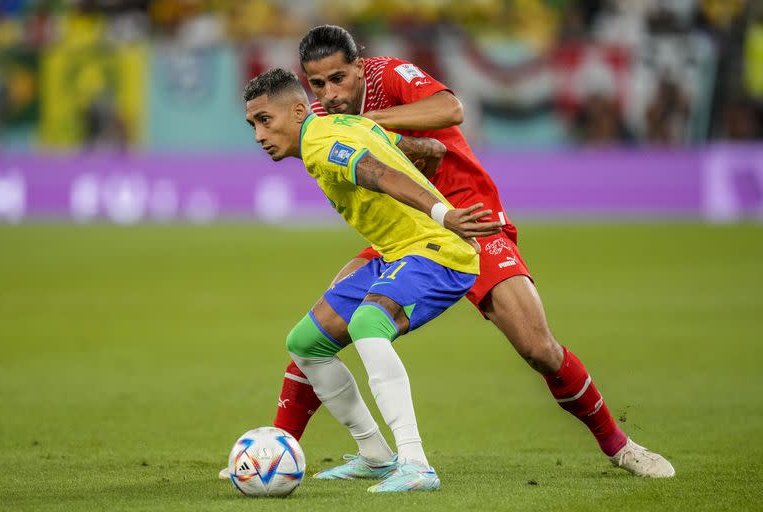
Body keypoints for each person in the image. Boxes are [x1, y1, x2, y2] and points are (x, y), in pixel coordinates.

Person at [268, 25, 675, 479]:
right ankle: (275, 452)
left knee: (538, 348)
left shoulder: (389, 77)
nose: (330, 93)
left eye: (338, 78)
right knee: (322, 323)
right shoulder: (324, 120)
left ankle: (619, 446)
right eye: (318, 84)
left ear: (358, 68)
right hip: (409, 233)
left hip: (470, 219)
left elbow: (451, 108)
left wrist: (373, 124)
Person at [240, 67, 502, 492]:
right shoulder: (345, 124)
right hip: (399, 252)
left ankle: (416, 465)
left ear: (299, 110)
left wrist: (444, 214)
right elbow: (425, 149)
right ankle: (376, 455)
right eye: (252, 124)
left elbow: (381, 174)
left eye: (265, 121)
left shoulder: (323, 147)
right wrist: (426, 161)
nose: (258, 135)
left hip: (437, 249)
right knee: (306, 343)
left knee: (367, 324)